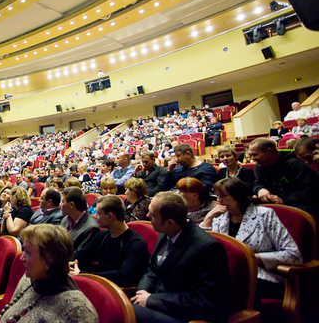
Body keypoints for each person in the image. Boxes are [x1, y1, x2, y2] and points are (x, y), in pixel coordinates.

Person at [201, 178, 302, 308]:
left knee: (222, 290)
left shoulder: (264, 215)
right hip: (228, 274)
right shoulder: (220, 218)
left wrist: (250, 258)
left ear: (238, 196)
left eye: (223, 196)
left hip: (263, 276)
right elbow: (209, 250)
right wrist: (208, 218)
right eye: (217, 196)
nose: (218, 201)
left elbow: (293, 255)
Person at [131, 191, 231, 323]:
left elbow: (207, 302)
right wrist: (142, 292)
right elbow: (153, 269)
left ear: (170, 223)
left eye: (153, 215)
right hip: (157, 304)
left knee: (122, 314)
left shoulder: (208, 248)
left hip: (182, 315)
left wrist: (151, 300)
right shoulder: (165, 232)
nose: (147, 216)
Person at [0, 224, 98, 323]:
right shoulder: (29, 278)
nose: (21, 258)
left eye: (28, 252)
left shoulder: (78, 312)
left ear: (49, 260)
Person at [71, 196, 149, 287]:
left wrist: (82, 274)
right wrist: (66, 263)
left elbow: (123, 276)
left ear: (110, 216)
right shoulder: (103, 235)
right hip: (98, 283)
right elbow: (84, 253)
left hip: (114, 290)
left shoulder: (136, 243)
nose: (95, 216)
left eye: (98, 213)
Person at [249, 138, 319, 219]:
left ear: (269, 151)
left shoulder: (294, 163)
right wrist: (260, 190)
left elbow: (311, 190)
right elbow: (258, 183)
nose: (252, 159)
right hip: (276, 205)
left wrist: (284, 201)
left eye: (255, 155)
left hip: (300, 205)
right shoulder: (260, 165)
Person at [60, 187, 99, 254]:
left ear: (71, 205)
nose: (60, 204)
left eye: (62, 201)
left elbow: (79, 256)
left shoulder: (91, 228)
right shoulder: (65, 220)